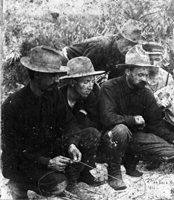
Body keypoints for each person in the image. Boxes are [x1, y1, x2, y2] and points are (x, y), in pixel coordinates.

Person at [1, 46, 100, 199]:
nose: (57, 80)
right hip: (24, 162)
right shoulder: (13, 105)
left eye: (57, 75)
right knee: (57, 183)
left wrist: (72, 144)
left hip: (48, 151)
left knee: (90, 134)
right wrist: (47, 162)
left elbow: (70, 123)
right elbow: (14, 151)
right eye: (52, 75)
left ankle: (70, 183)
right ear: (36, 75)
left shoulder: (54, 94)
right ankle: (18, 185)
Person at [98, 44, 174, 191]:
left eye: (146, 75)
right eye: (140, 75)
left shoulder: (145, 93)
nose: (145, 79)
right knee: (121, 130)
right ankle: (114, 172)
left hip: (135, 137)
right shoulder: (109, 87)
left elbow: (156, 125)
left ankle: (131, 161)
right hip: (111, 137)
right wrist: (132, 119)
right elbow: (107, 118)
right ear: (128, 71)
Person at [59, 56, 105, 186]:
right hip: (60, 140)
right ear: (73, 82)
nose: (90, 86)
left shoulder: (91, 95)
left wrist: (80, 117)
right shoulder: (58, 97)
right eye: (85, 82)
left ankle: (82, 172)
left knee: (92, 132)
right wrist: (80, 115)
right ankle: (69, 177)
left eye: (92, 81)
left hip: (76, 137)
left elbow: (97, 120)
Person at [62, 19, 145, 79]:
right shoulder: (101, 45)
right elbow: (84, 72)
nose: (129, 48)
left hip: (83, 71)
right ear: (119, 38)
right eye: (127, 43)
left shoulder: (123, 55)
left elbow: (114, 81)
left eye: (133, 45)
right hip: (66, 62)